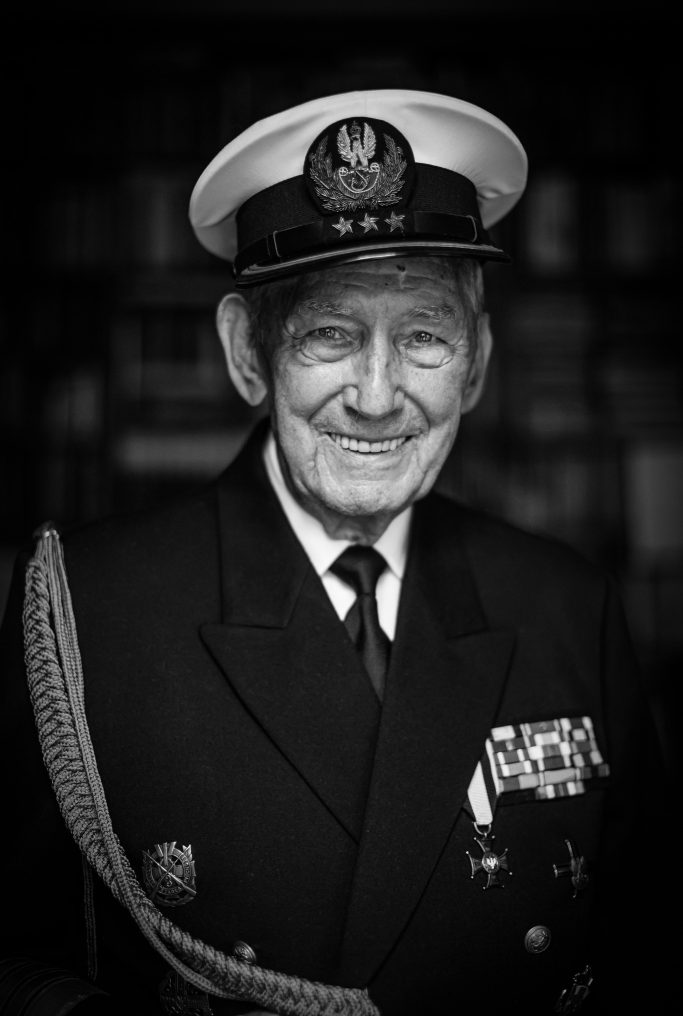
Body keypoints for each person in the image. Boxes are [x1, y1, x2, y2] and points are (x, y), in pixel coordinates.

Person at [0, 89, 672, 1016]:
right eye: (329, 334)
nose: (377, 396)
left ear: (476, 359)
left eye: (424, 335)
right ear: (247, 354)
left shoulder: (566, 603)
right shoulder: (89, 611)